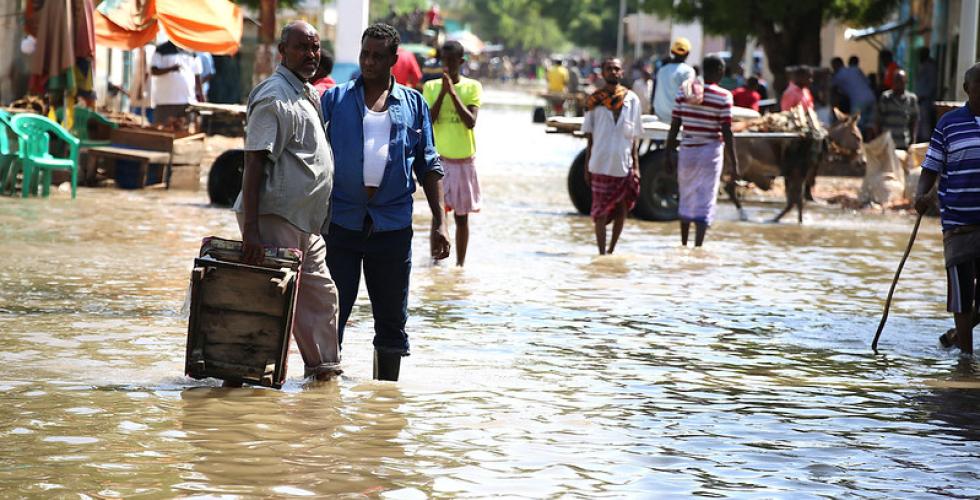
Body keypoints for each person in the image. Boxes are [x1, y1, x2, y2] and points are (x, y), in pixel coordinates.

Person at [320, 23, 450, 381]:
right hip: (341, 225)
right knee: (330, 316)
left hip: (392, 227)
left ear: (394, 59)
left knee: (392, 322)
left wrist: (441, 222)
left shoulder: (413, 105)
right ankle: (320, 402)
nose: (369, 62)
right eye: (365, 54)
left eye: (378, 56)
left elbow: (429, 164)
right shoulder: (335, 100)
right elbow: (312, 158)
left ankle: (385, 407)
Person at [233, 21, 341, 385]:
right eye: (302, 48)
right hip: (275, 216)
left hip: (304, 221)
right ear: (283, 51)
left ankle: (324, 374)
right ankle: (251, 378)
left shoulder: (306, 92)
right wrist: (251, 231)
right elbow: (254, 162)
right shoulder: (273, 95)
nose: (311, 55)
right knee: (275, 302)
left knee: (321, 295)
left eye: (314, 48)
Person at [914, 62, 980, 354]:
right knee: (962, 298)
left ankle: (956, 339)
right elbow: (930, 168)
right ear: (967, 89)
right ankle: (965, 362)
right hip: (958, 225)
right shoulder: (949, 124)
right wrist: (920, 194)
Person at [666, 55, 739, 247]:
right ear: (719, 71)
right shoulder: (724, 96)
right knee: (705, 197)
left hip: (687, 149)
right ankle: (698, 246)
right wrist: (734, 162)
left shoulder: (685, 91)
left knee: (686, 194)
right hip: (710, 151)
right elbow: (726, 130)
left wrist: (667, 154)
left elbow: (675, 125)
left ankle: (683, 244)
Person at [423, 41, 483, 267]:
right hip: (439, 161)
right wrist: (442, 93)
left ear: (461, 62)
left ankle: (460, 265)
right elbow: (430, 119)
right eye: (443, 61)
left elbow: (470, 122)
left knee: (461, 217)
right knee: (438, 216)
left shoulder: (472, 87)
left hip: (464, 160)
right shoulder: (431, 87)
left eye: (451, 61)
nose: (446, 65)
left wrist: (453, 93)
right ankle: (435, 264)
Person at [582, 57, 643, 255]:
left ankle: (611, 250)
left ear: (621, 73)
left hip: (622, 164)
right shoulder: (594, 101)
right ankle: (601, 253)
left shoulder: (632, 100)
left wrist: (636, 167)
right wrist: (586, 166)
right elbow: (589, 138)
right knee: (599, 213)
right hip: (599, 163)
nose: (613, 72)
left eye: (617, 69)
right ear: (603, 73)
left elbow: (634, 137)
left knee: (621, 210)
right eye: (609, 69)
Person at [150, 41, 203, 127]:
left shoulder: (191, 52)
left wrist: (201, 97)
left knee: (185, 132)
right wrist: (170, 69)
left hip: (187, 100)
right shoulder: (161, 49)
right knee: (163, 130)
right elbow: (153, 70)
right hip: (165, 101)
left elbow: (197, 77)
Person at [652, 37, 696, 123]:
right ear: (687, 53)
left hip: (660, 118)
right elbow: (688, 95)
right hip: (678, 120)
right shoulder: (689, 71)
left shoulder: (661, 70)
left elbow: (654, 92)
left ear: (672, 52)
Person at [875, 69, 918, 150]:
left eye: (900, 81)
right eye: (896, 81)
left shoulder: (912, 99)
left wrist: (913, 142)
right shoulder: (886, 98)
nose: (898, 84)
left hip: (903, 144)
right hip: (887, 145)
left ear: (905, 82)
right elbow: (878, 121)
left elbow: (914, 122)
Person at [831, 56, 875, 129]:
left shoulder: (839, 75)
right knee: (869, 125)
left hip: (858, 102)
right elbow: (868, 82)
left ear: (836, 65)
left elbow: (831, 88)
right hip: (871, 97)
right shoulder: (855, 69)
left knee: (855, 126)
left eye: (833, 66)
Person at [915, 47, 938, 142]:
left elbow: (932, 84)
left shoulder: (930, 67)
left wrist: (924, 96)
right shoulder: (922, 65)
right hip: (920, 99)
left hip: (926, 100)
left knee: (925, 125)